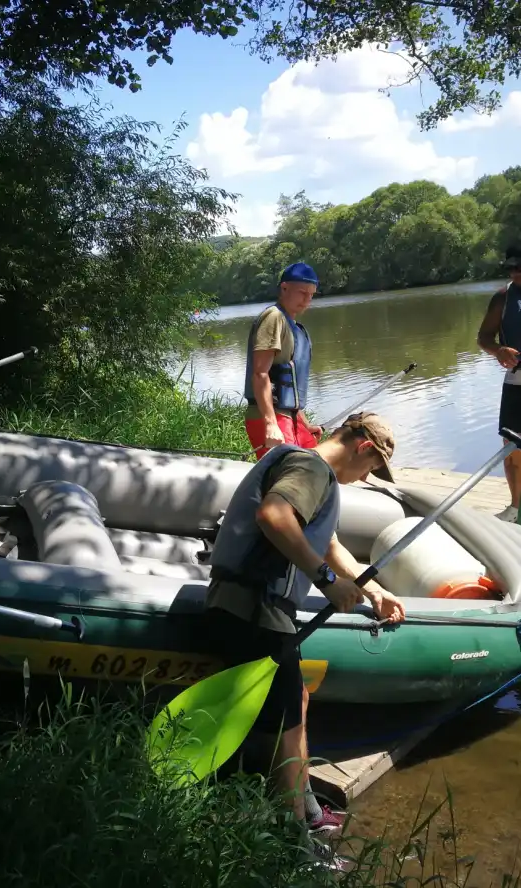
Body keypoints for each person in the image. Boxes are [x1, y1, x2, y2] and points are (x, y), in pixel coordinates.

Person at [202, 413, 407, 864]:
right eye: (371, 467)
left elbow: (328, 543)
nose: (366, 477)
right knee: (289, 728)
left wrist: (373, 590)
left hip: (257, 610)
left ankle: (308, 810)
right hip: (252, 609)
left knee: (298, 704)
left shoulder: (310, 472)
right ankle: (295, 843)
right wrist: (328, 581)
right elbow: (274, 515)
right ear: (363, 447)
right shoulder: (310, 468)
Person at [244, 262, 322, 459]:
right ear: (284, 288)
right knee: (290, 475)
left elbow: (290, 387)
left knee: (317, 463)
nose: (307, 300)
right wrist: (270, 424)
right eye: (302, 292)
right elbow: (260, 373)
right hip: (271, 417)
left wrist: (305, 425)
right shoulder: (274, 317)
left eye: (312, 294)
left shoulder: (293, 325)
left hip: (290, 417)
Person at [477, 245, 521, 522]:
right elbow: (483, 337)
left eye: (520, 267)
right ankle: (516, 508)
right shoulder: (503, 298)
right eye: (511, 267)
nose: (515, 272)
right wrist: (499, 351)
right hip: (516, 383)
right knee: (513, 449)